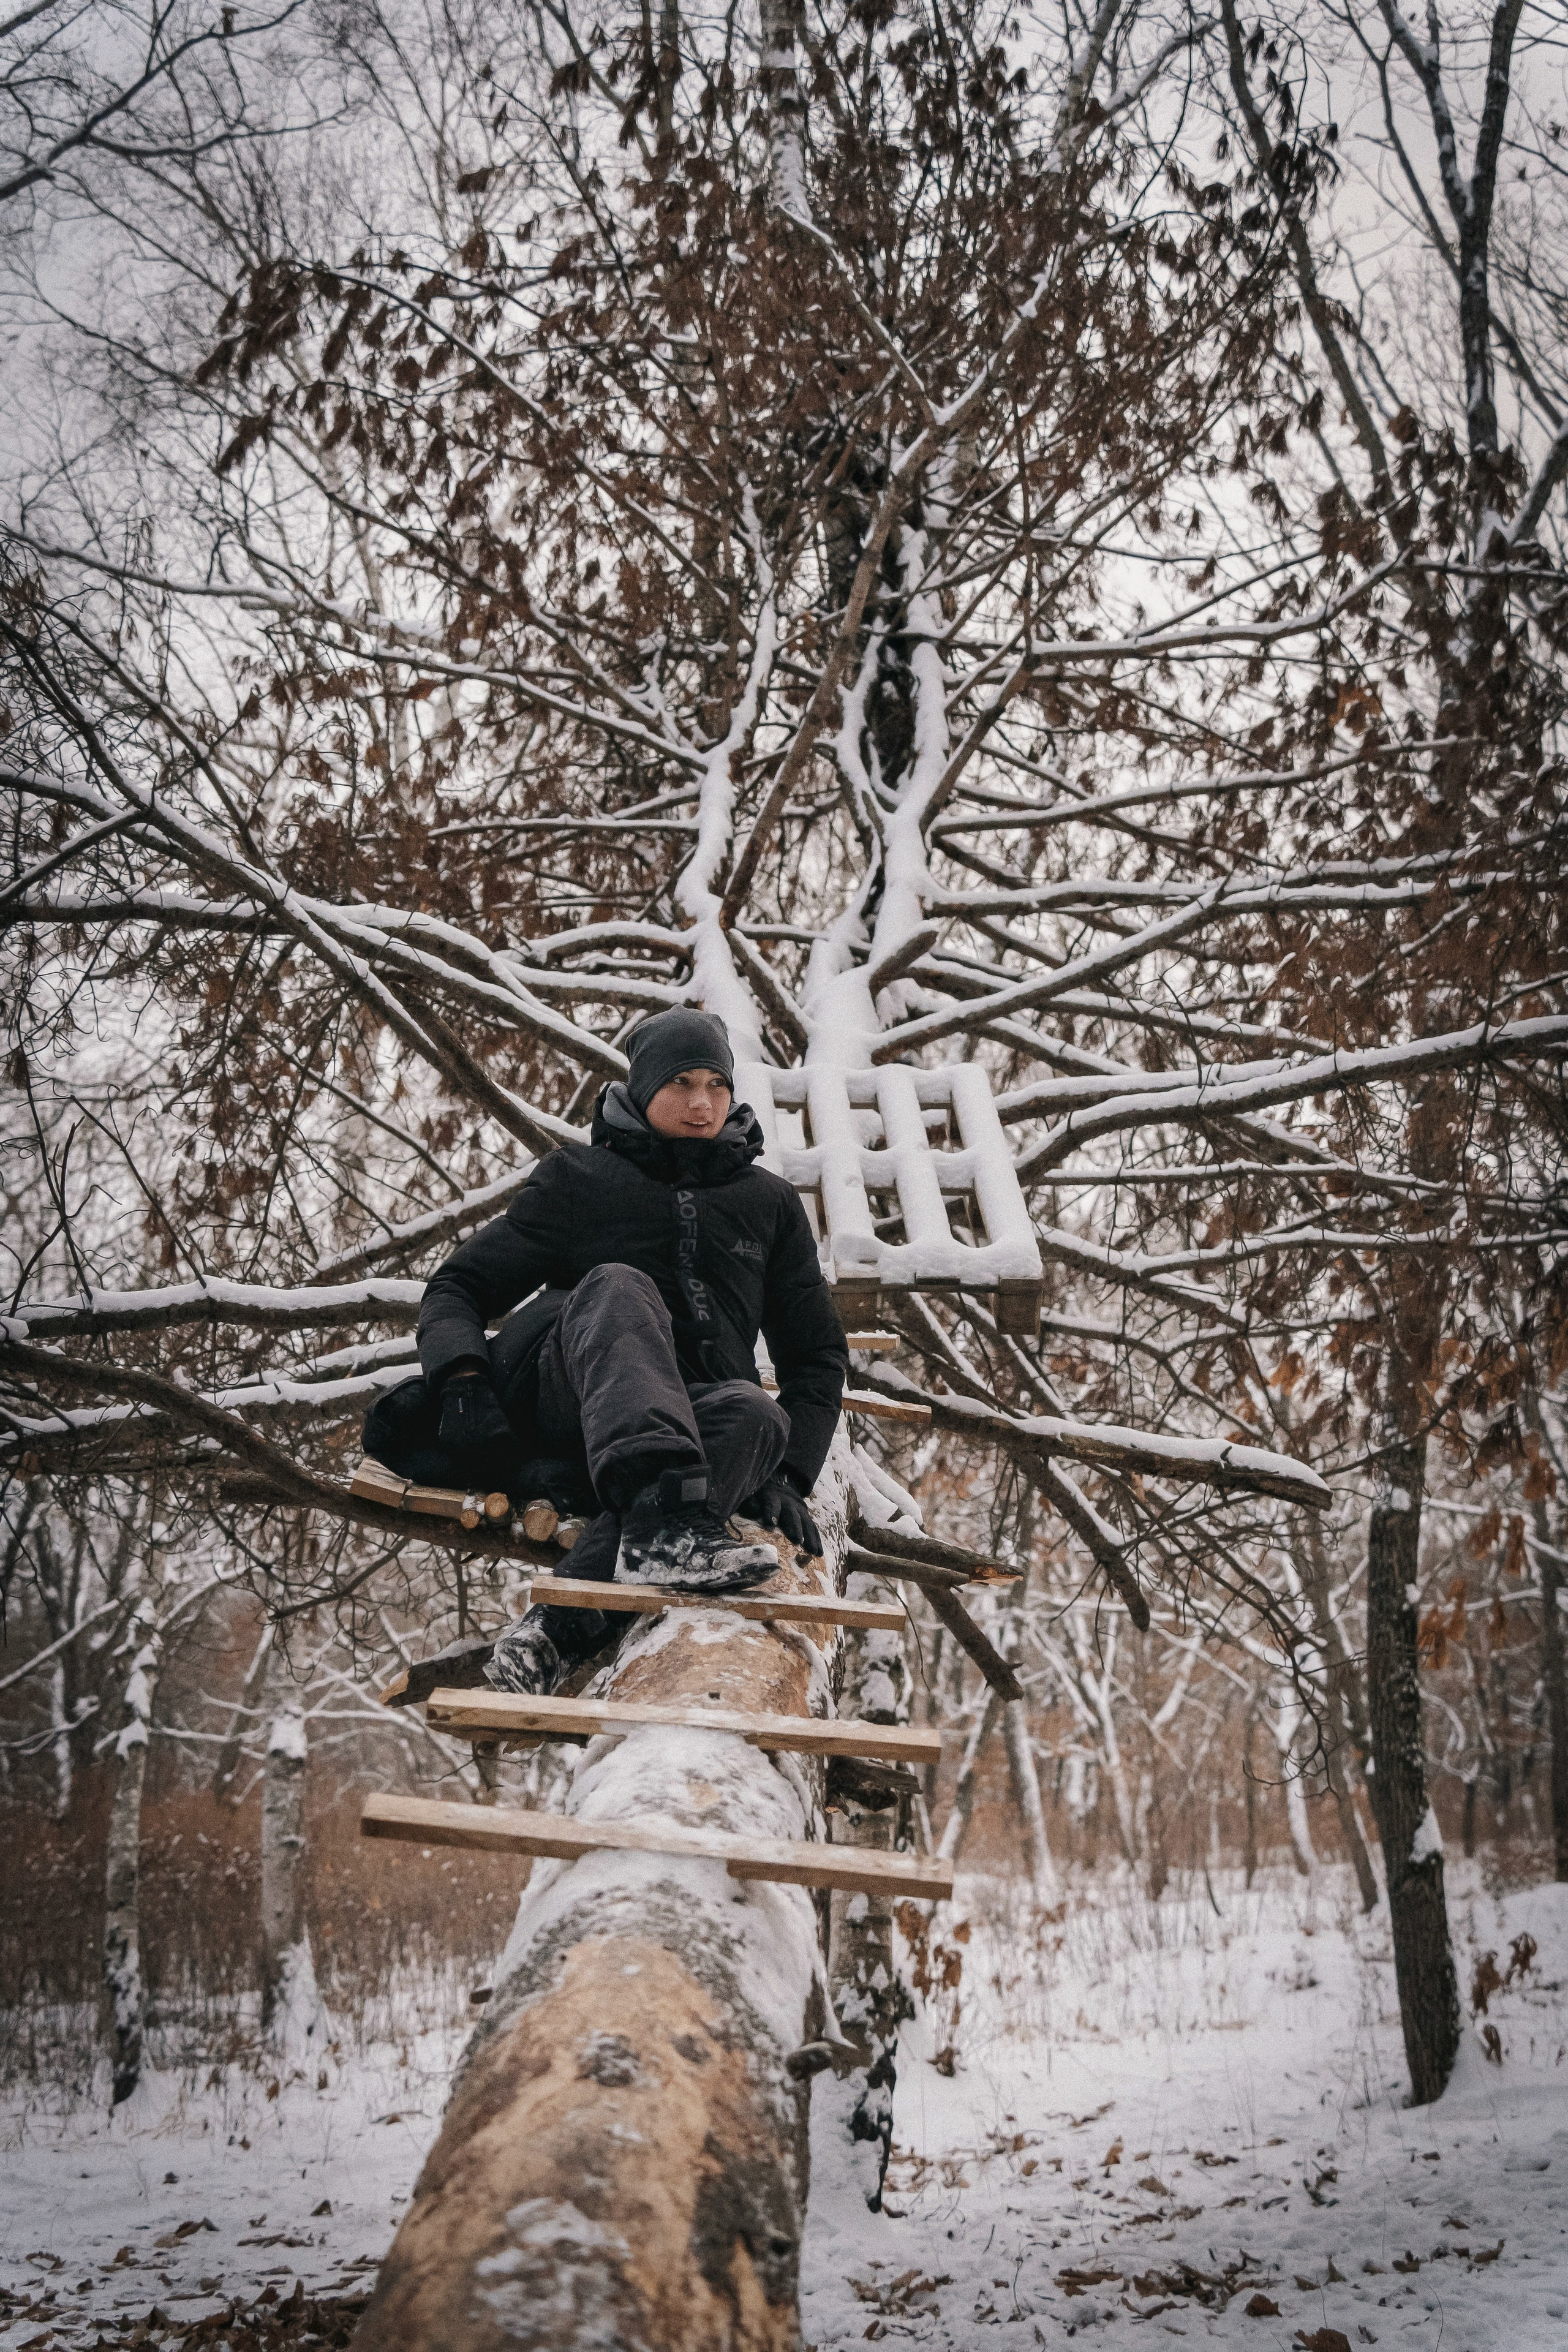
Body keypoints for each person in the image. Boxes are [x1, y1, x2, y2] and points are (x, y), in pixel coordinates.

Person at [407, 1008, 848, 1695]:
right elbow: (457, 1285)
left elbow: (815, 1354)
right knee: (617, 1285)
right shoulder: (578, 1179)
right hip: (568, 1402)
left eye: (715, 1084)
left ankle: (553, 1634)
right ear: (641, 1090)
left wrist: (788, 1473)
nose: (702, 1104)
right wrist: (462, 1378)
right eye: (680, 1083)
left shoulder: (769, 1204)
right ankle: (668, 1523)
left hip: (682, 1428)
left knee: (755, 1415)